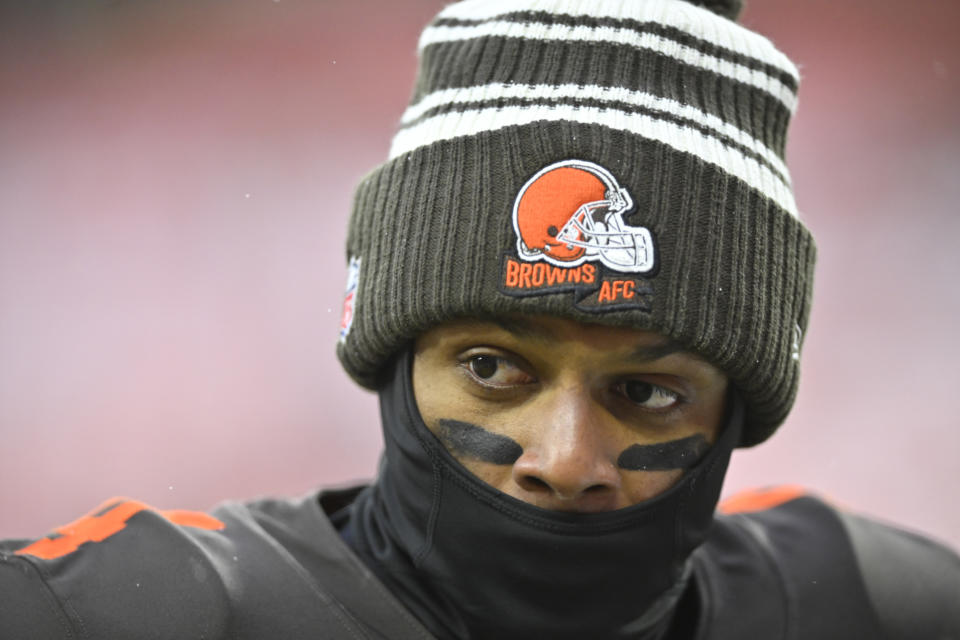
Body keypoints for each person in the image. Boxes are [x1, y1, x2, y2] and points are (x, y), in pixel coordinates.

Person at [1, 0, 958, 638]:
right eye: (495, 368)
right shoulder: (130, 613)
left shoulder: (868, 603)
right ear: (388, 353)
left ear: (741, 410)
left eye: (648, 391)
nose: (565, 460)